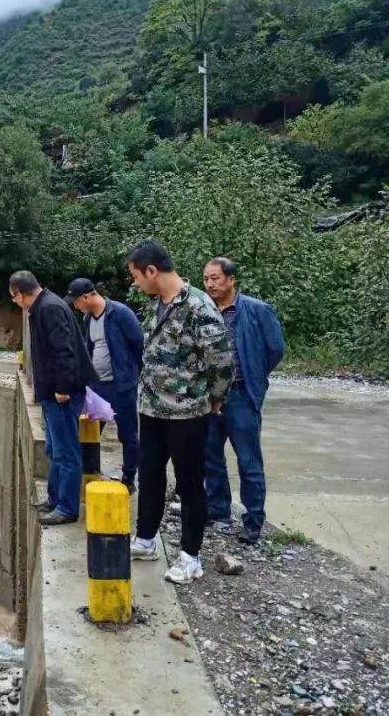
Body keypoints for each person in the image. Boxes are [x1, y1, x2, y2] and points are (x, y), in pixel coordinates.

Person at [125, 241, 234, 585]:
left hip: (187, 411)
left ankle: (190, 557)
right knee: (151, 475)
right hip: (152, 408)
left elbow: (222, 360)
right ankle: (145, 539)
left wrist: (216, 398)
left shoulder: (199, 307)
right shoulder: (158, 305)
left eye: (136, 276)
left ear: (152, 271)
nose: (135, 284)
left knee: (189, 485)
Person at [202, 257, 286, 545]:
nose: (210, 284)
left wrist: (255, 377)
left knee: (249, 461)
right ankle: (217, 510)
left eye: (215, 278)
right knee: (210, 457)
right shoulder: (203, 311)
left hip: (241, 394)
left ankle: (253, 520)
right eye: (206, 279)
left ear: (231, 279)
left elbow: (275, 349)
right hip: (209, 396)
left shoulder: (256, 310)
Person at [10, 270, 99, 525]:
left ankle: (67, 507)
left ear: (22, 293)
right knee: (54, 448)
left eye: (14, 298)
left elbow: (65, 352)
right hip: (52, 393)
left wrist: (62, 388)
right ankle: (54, 498)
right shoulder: (44, 307)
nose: (16, 303)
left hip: (62, 394)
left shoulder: (49, 308)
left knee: (66, 451)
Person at [65, 278, 144, 492]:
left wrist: (131, 374)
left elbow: (138, 343)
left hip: (121, 385)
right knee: (90, 432)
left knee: (127, 433)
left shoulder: (119, 313)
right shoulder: (89, 318)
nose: (75, 306)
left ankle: (129, 478)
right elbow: (90, 347)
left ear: (86, 297)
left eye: (76, 301)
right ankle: (90, 474)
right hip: (97, 385)